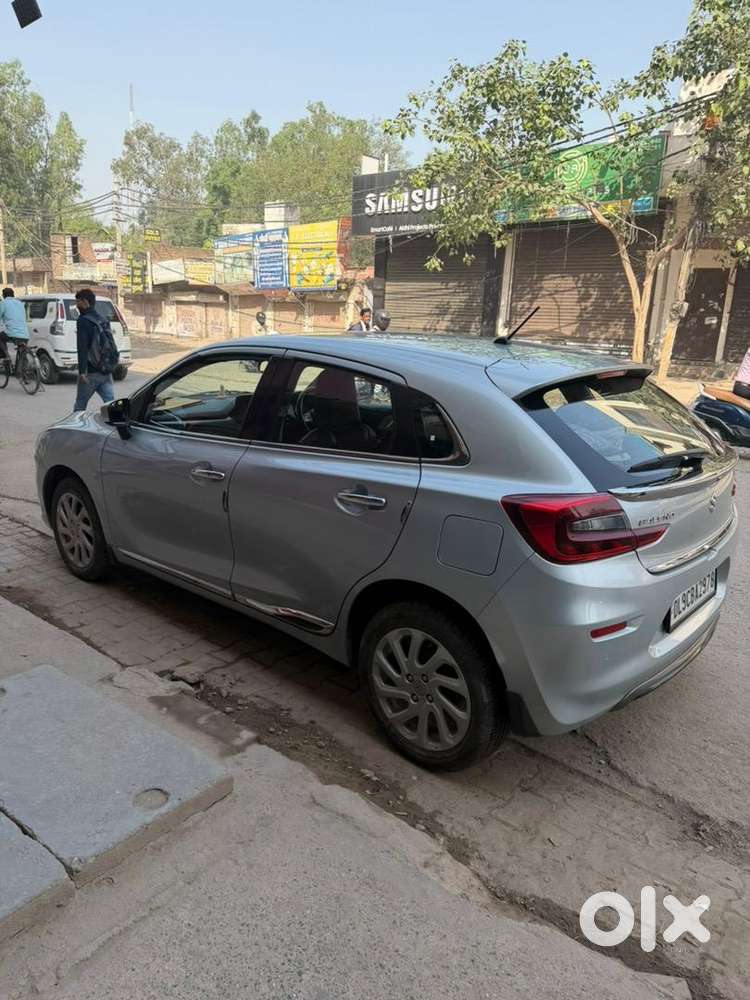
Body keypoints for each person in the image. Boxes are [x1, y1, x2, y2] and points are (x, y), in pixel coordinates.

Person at [73, 288, 115, 412]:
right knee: (111, 404)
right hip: (105, 369)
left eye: (78, 302)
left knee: (80, 406)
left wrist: (82, 371)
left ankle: (75, 429)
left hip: (90, 372)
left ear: (85, 302)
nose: (77, 305)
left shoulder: (83, 321)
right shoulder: (102, 319)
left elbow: (82, 347)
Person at [0, 287, 30, 363]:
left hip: (12, 334)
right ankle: (23, 366)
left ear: (3, 296)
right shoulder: (20, 303)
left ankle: (7, 356)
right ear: (13, 295)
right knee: (22, 350)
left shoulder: (3, 303)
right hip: (25, 335)